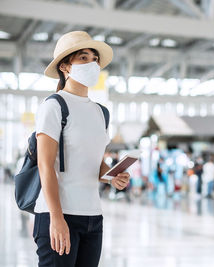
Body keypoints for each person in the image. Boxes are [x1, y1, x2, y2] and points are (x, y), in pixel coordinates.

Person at [34, 31, 130, 267]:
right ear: (65, 66)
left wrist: (112, 177)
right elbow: (44, 165)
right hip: (59, 214)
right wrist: (56, 218)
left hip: (92, 217)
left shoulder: (100, 112)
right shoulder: (54, 106)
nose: (93, 64)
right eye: (84, 58)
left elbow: (93, 162)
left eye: (95, 59)